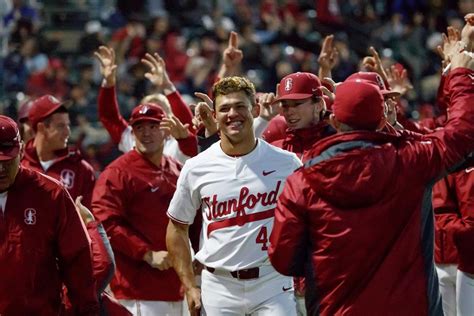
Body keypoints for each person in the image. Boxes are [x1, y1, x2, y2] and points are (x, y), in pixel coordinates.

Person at [268, 47, 474, 315]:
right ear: (381, 117)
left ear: (334, 120)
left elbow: (284, 259)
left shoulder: (301, 181)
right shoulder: (412, 160)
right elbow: (461, 132)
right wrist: (459, 73)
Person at [166, 76, 302, 316]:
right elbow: (177, 227)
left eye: (240, 106)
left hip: (272, 281)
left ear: (256, 109)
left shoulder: (287, 162)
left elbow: (309, 219)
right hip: (218, 284)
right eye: (224, 108)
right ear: (214, 115)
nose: (232, 114)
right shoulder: (197, 166)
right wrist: (189, 286)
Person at [0, 115, 99, 314]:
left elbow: (77, 261)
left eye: (6, 160)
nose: (0, 168)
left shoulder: (51, 194)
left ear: (20, 148)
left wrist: (86, 310)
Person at [92, 103, 184, 315]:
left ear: (165, 130)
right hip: (138, 289)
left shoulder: (176, 168)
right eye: (139, 128)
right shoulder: (117, 172)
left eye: (153, 126)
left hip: (177, 285)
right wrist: (146, 253)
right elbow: (105, 223)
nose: (146, 133)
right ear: (132, 133)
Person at [21, 94, 96, 208]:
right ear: (42, 128)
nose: (68, 132)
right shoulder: (17, 165)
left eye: (68, 125)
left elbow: (91, 220)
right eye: (61, 126)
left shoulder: (82, 170)